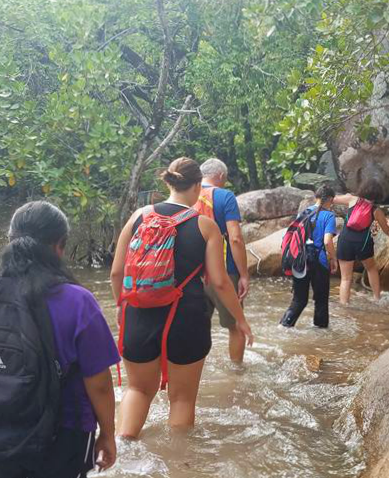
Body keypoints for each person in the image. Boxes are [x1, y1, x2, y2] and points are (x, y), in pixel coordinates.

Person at [0, 201, 119, 477]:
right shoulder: (77, 301)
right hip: (65, 431)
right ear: (59, 246)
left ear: (10, 240)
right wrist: (108, 434)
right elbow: (99, 384)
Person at [111, 157, 254, 437]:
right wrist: (240, 319)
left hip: (138, 314)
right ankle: (179, 463)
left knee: (138, 389)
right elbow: (221, 282)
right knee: (182, 399)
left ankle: (123, 455)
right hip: (186, 318)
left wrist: (121, 306)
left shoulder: (138, 216)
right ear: (198, 185)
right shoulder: (205, 226)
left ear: (168, 182)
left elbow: (117, 273)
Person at [195, 158, 250, 363]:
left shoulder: (187, 197)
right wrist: (244, 274)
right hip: (223, 272)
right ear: (220, 176)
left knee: (198, 328)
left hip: (193, 274)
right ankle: (236, 372)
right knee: (236, 326)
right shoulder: (224, 196)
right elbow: (235, 238)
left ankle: (196, 373)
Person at [280, 184, 338, 328]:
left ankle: (283, 326)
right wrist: (333, 259)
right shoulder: (329, 215)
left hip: (300, 261)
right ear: (330, 199)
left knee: (299, 300)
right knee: (321, 300)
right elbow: (327, 241)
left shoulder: (304, 213)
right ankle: (321, 332)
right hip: (319, 262)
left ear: (316, 198)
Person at [334, 193, 389, 305]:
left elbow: (333, 199)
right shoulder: (376, 211)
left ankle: (344, 306)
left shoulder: (352, 199)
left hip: (345, 241)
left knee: (346, 278)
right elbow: (386, 230)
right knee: (371, 268)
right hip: (363, 243)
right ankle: (377, 298)